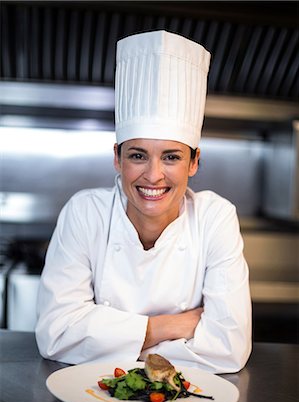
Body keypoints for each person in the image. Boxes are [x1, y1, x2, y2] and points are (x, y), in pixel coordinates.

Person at [35, 30, 252, 373]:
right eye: (138, 155)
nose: (153, 176)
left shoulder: (216, 217)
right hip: (91, 395)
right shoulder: (85, 212)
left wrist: (108, 341)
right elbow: (55, 335)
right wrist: (167, 327)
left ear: (194, 162)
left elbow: (228, 349)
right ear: (117, 159)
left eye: (171, 157)